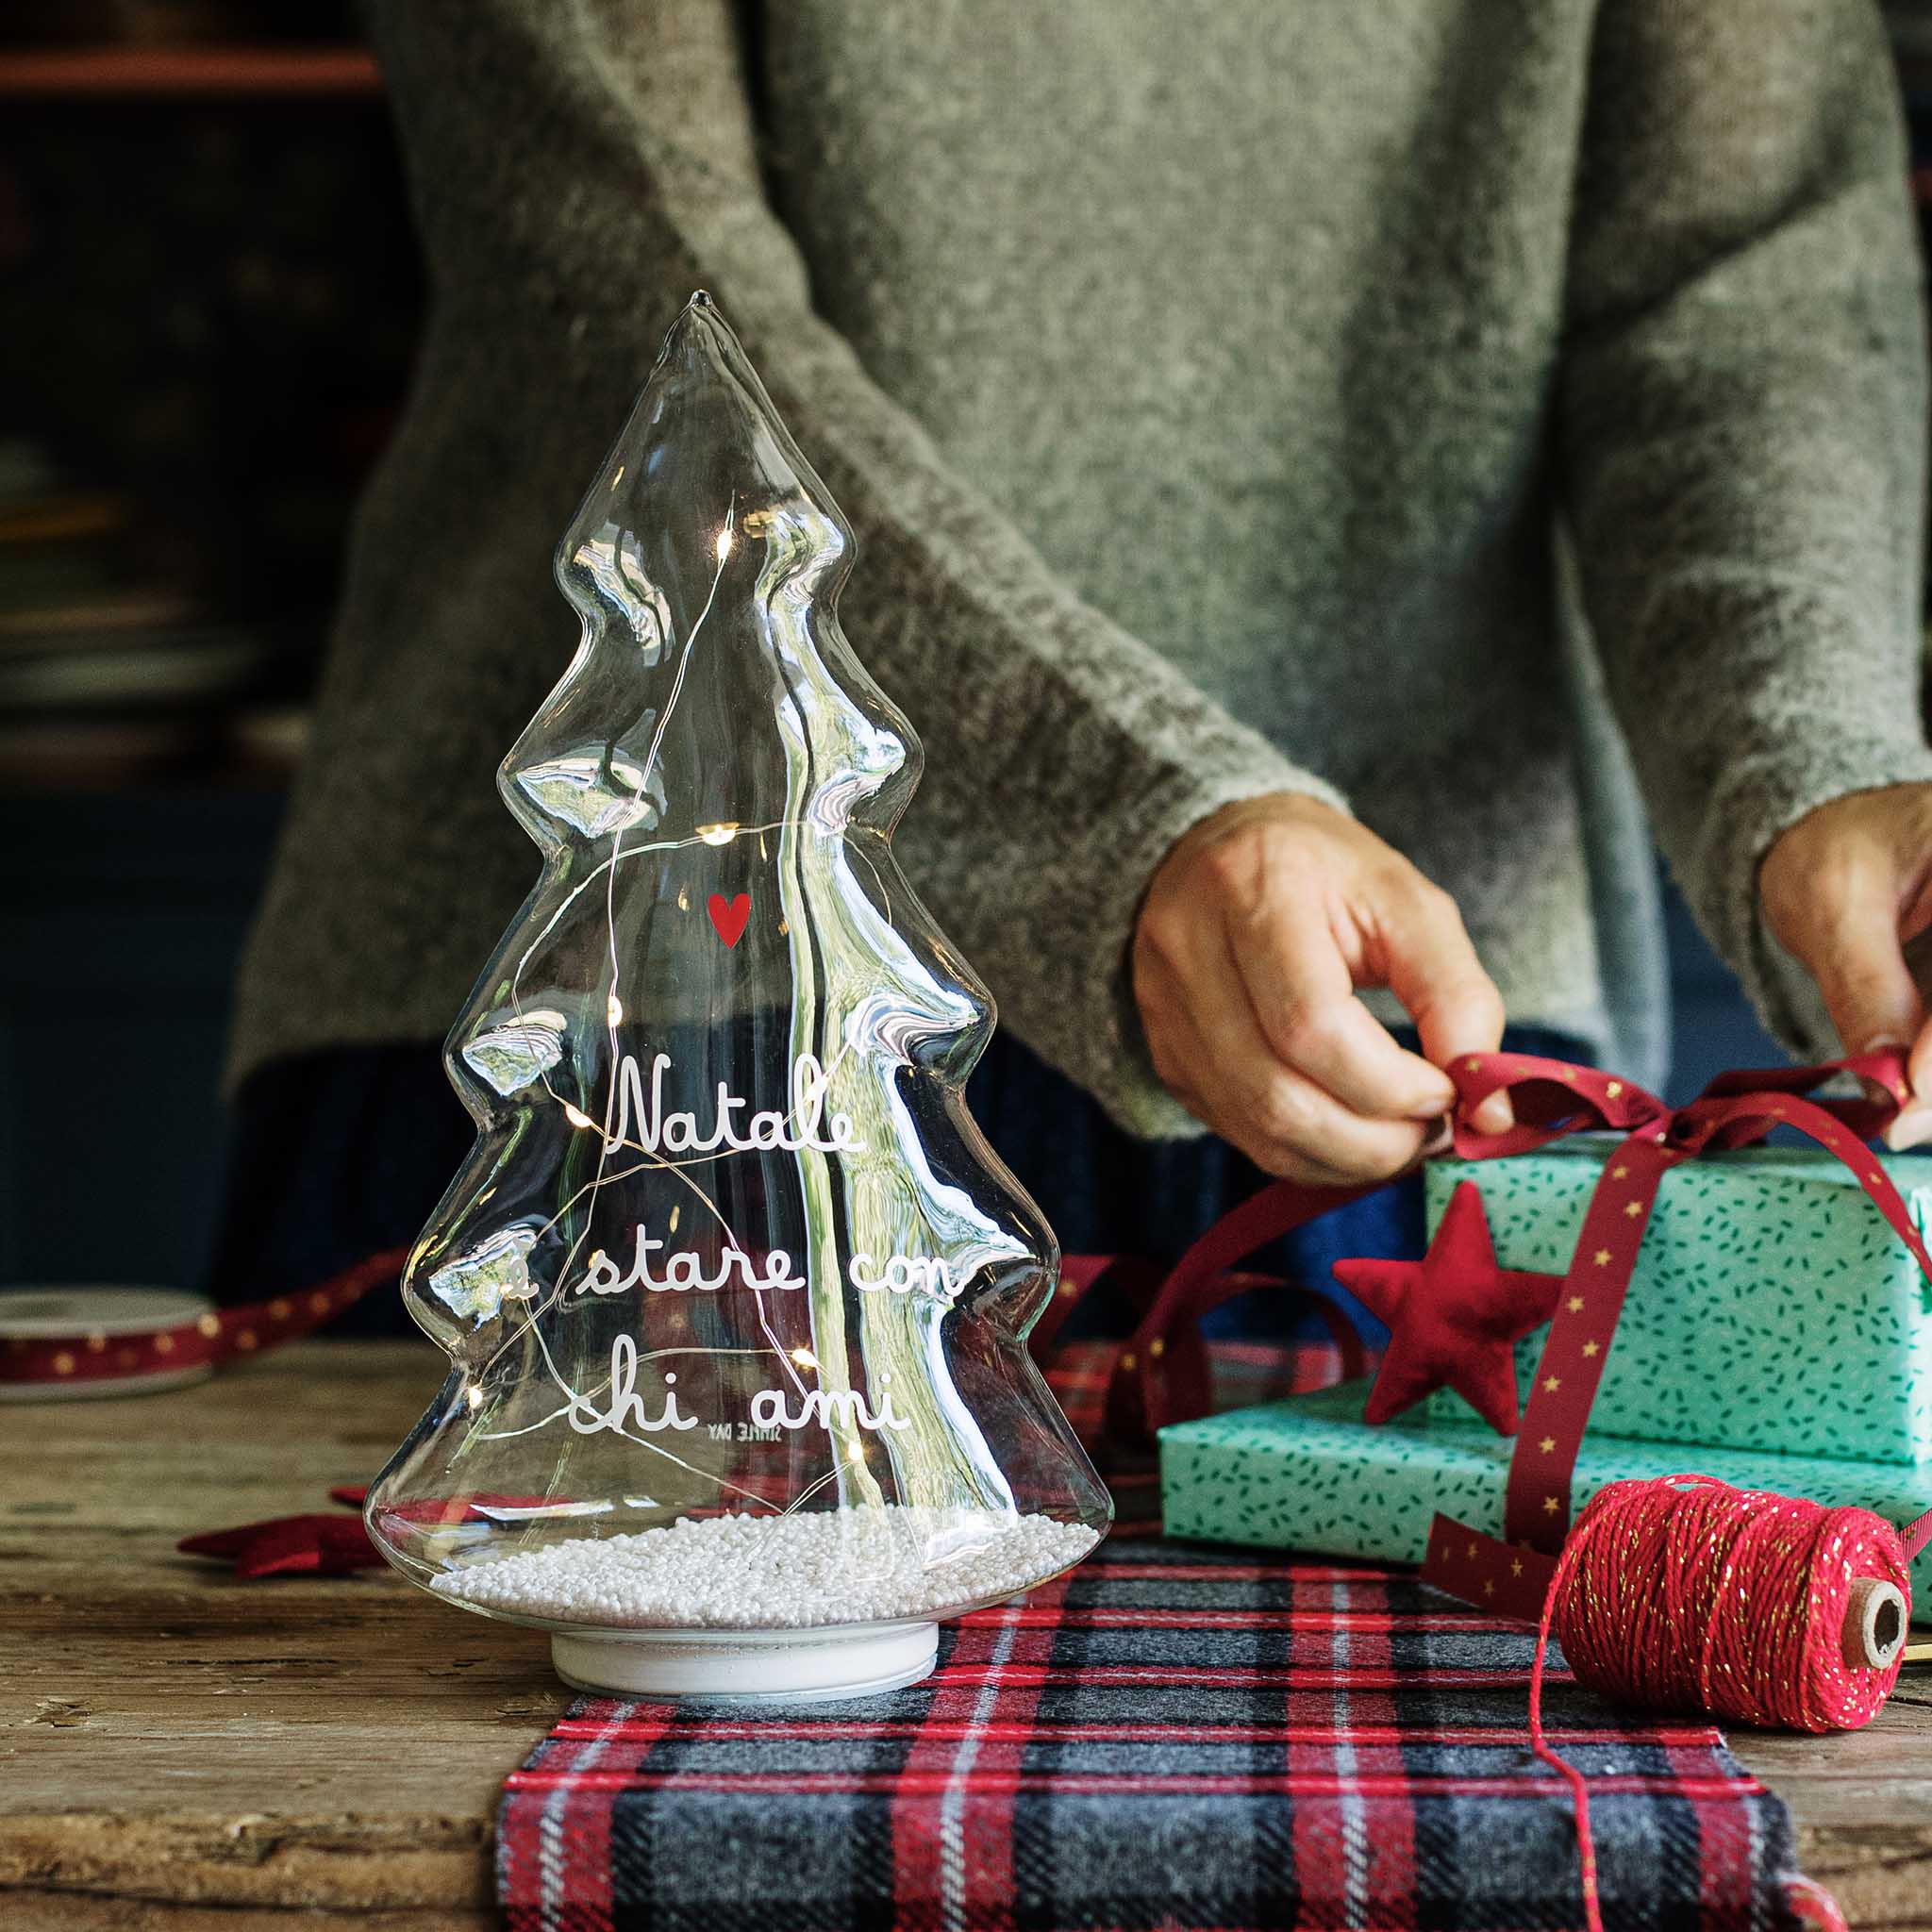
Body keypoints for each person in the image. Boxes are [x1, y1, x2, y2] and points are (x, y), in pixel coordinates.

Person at [214, 0, 1932, 1333]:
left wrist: (1816, 761)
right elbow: (620, 271)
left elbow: (1742, 287)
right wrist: (1123, 804)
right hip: (655, 1011)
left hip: (1399, 1056)